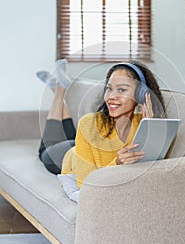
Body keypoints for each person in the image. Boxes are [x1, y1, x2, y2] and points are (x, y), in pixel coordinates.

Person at [37, 60, 166, 189]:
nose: (111, 96)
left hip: (83, 148)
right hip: (69, 155)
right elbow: (85, 185)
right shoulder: (89, 123)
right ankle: (59, 92)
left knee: (71, 135)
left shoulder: (143, 124)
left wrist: (150, 127)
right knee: (46, 148)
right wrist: (117, 162)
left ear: (140, 95)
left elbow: (150, 172)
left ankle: (58, 88)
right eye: (109, 88)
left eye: (121, 90)